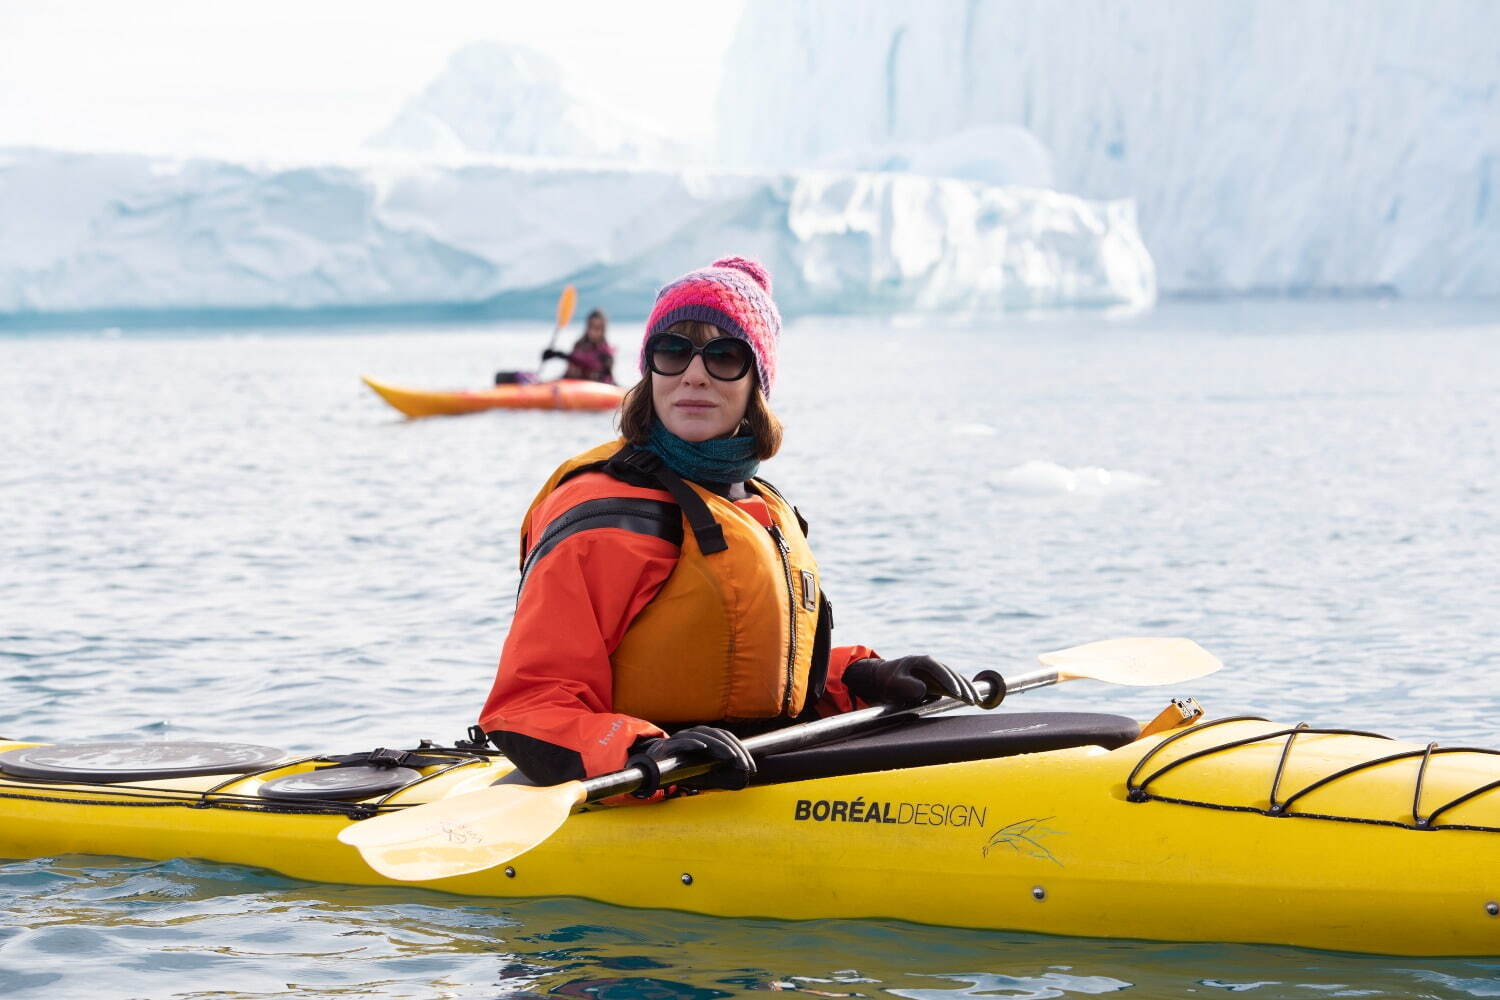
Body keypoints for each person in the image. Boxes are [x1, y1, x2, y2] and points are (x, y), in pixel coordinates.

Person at [479, 257, 978, 793]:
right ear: (650, 371)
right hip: (642, 789)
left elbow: (751, 677)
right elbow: (526, 708)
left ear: (756, 384)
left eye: (724, 356)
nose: (694, 373)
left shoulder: (762, 507)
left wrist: (860, 680)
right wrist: (644, 751)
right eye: (673, 352)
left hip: (748, 768)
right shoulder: (605, 517)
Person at [543, 308, 615, 383]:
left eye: (597, 328)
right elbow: (575, 362)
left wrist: (563, 356)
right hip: (572, 385)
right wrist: (555, 354)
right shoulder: (579, 345)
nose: (593, 332)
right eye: (591, 327)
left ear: (603, 329)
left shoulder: (605, 353)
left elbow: (588, 363)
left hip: (595, 388)